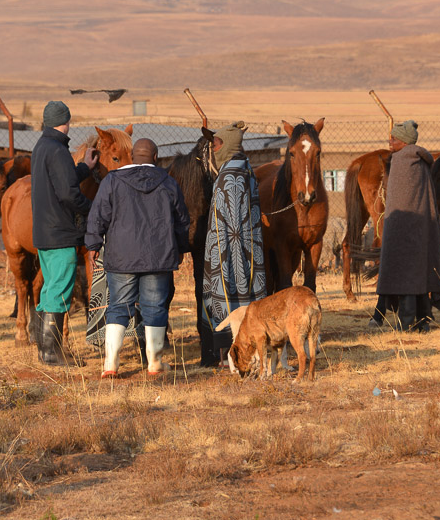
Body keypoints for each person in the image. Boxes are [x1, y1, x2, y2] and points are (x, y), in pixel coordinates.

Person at [86, 138, 190, 378]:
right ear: (156, 157)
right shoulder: (168, 182)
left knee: (118, 306)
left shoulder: (112, 180)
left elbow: (98, 215)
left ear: (132, 156)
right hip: (158, 257)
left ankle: (110, 365)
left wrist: (93, 244)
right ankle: (155, 363)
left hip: (121, 257)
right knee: (154, 307)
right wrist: (181, 248)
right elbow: (182, 221)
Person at [31, 101, 98, 366]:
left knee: (49, 290)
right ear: (66, 121)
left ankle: (45, 351)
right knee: (60, 292)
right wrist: (93, 208)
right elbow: (69, 193)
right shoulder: (58, 150)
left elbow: (61, 179)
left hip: (45, 233)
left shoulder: (41, 147)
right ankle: (53, 354)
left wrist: (84, 167)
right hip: (61, 233)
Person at [372, 120, 440, 333]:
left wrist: (396, 224)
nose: (390, 141)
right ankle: (423, 320)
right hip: (420, 227)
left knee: (405, 270)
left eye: (394, 138)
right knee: (419, 270)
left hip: (402, 228)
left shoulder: (400, 160)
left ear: (404, 142)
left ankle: (405, 323)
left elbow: (399, 200)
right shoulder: (421, 160)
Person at [201, 121, 266, 365]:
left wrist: (221, 254)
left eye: (217, 144)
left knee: (226, 295)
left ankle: (233, 355)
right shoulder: (245, 169)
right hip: (248, 251)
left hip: (229, 252)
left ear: (228, 145)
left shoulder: (230, 175)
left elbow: (230, 224)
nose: (214, 149)